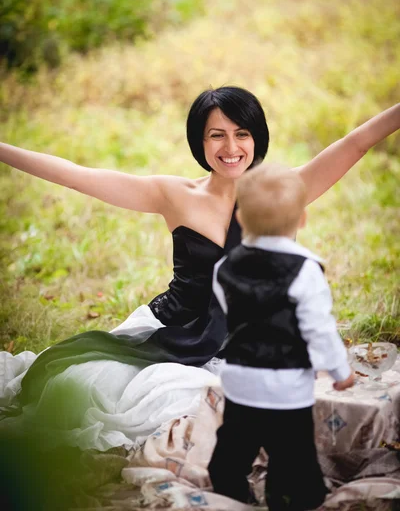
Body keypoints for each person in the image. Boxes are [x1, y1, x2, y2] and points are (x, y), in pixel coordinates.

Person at [0, 86, 398, 448]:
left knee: (226, 412)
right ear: (200, 141)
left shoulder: (284, 189)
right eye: (217, 135)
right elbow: (77, 177)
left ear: (257, 137)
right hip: (175, 332)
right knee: (77, 386)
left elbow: (357, 143)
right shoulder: (173, 194)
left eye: (242, 133)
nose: (231, 147)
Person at [208, 162, 355, 511]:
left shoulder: (223, 267)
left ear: (241, 219)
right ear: (302, 220)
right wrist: (339, 370)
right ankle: (290, 496)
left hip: (239, 380)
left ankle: (229, 493)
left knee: (232, 449)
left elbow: (231, 311)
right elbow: (319, 328)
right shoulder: (306, 271)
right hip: (288, 389)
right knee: (294, 457)